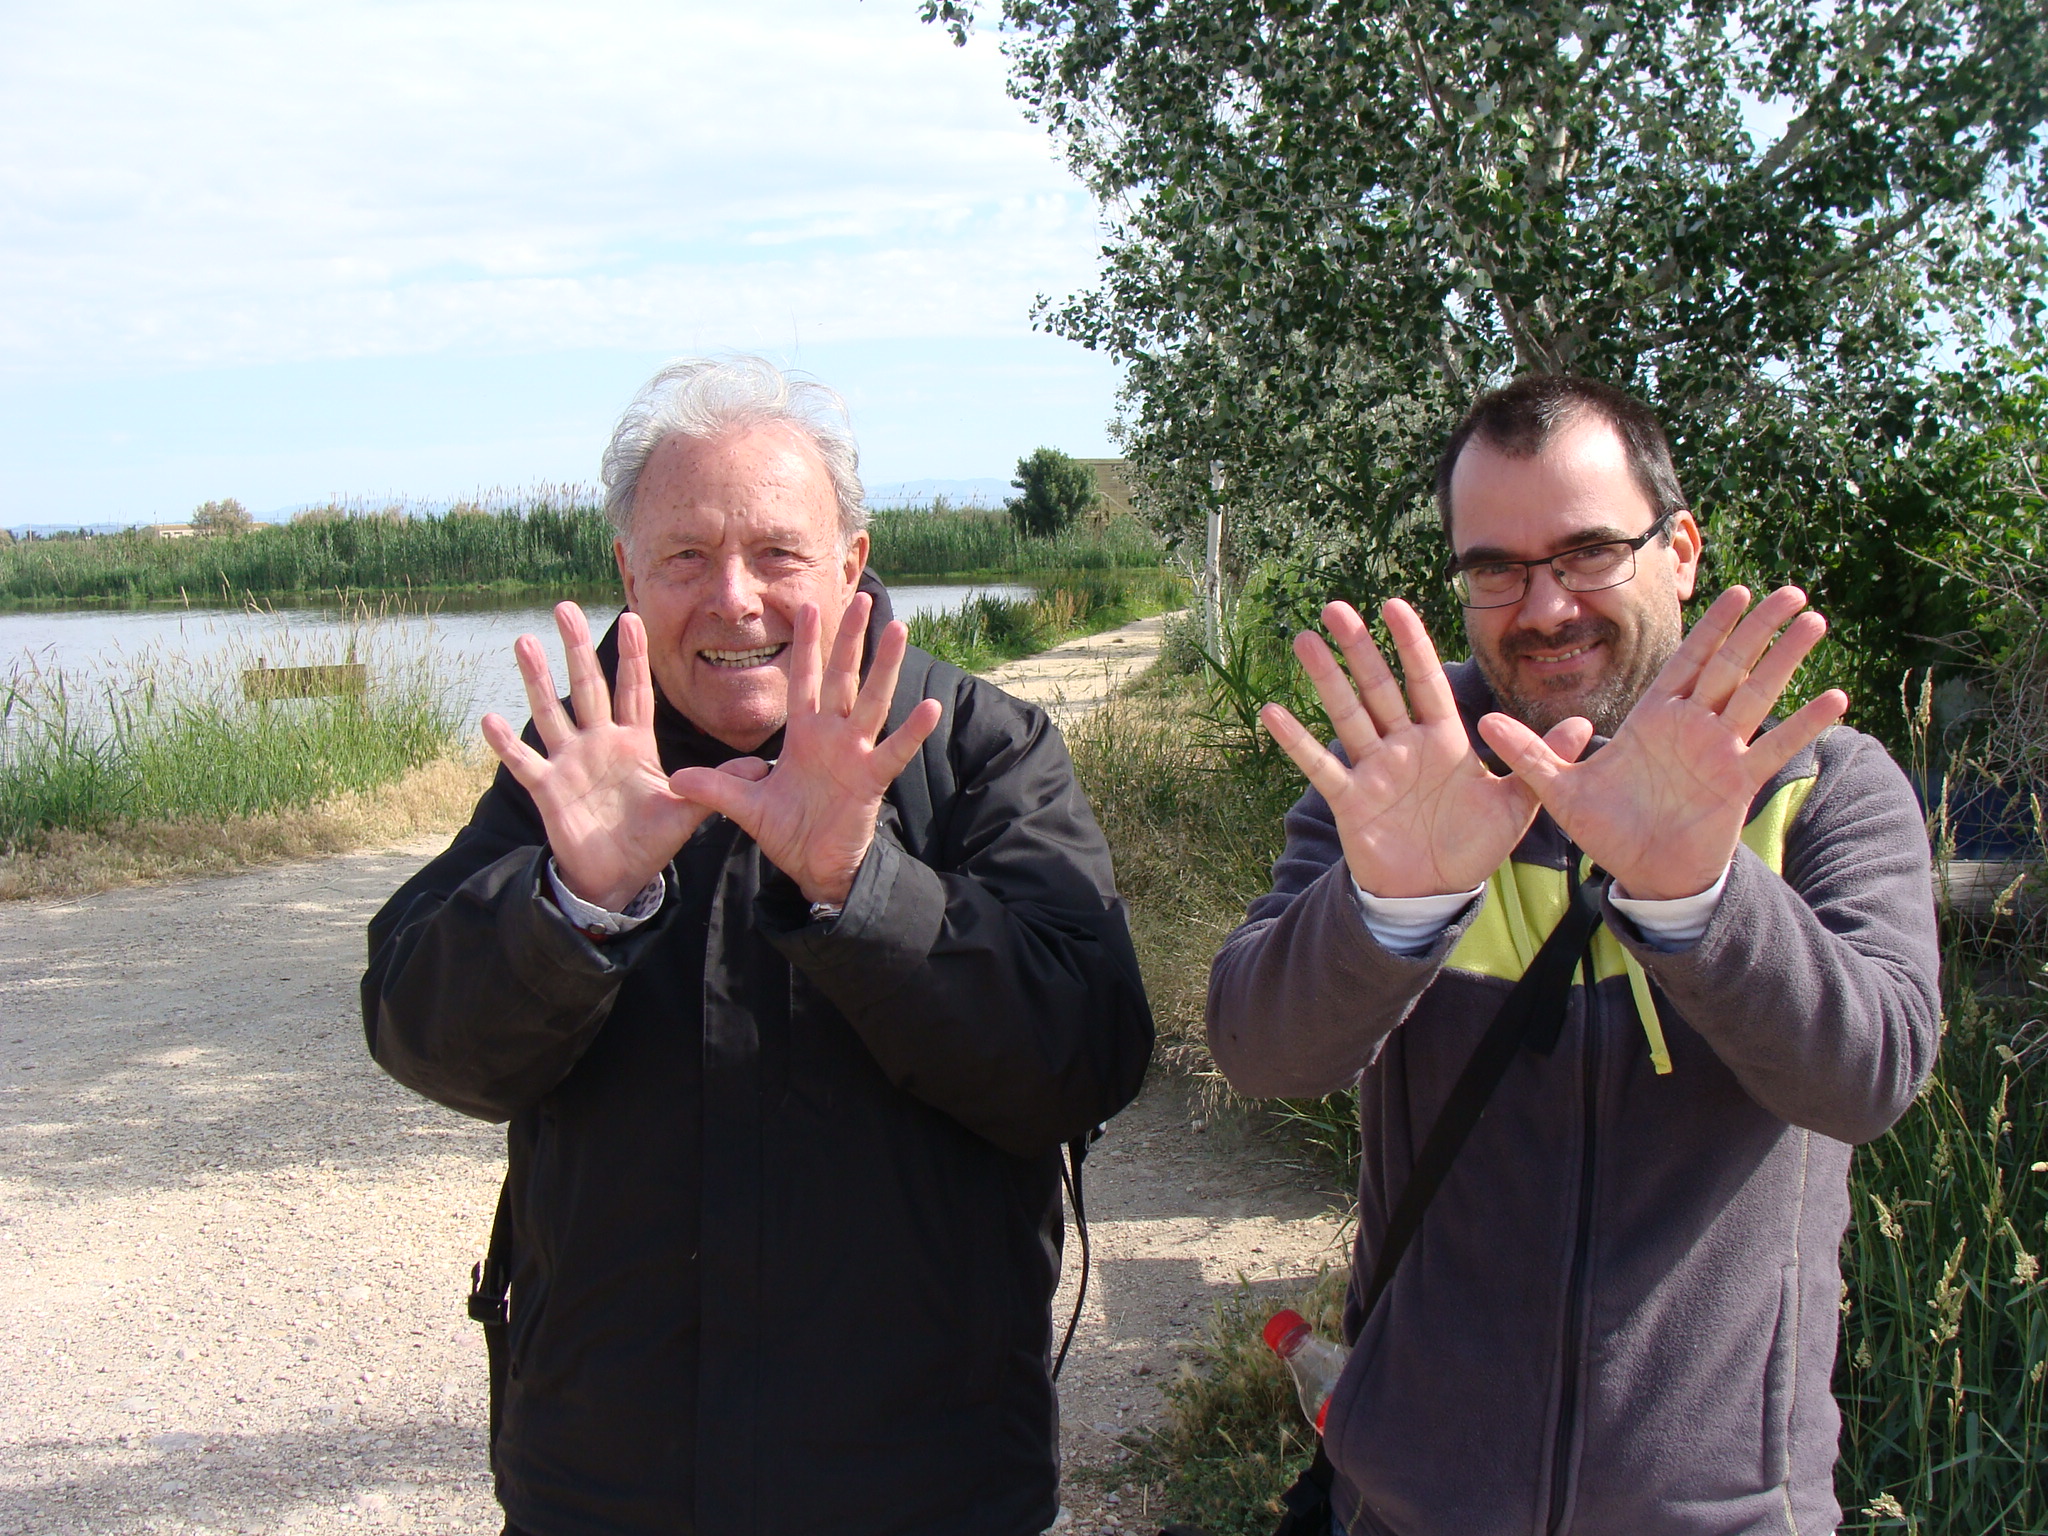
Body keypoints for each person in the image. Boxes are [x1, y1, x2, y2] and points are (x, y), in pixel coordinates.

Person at [362, 357, 1153, 1536]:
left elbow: (1081, 1056)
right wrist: (575, 899)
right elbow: (428, 1039)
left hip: (923, 1480)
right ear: (627, 575)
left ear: (850, 560)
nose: (732, 598)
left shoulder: (976, 746)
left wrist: (857, 885)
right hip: (605, 1479)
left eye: (778, 554)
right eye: (683, 557)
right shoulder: (579, 761)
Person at [1207, 375, 1940, 1536]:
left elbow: (1866, 1079)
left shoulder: (1819, 787)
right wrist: (1393, 904)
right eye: (1493, 567)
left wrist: (1701, 896)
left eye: (1590, 552)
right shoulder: (1408, 774)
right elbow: (1261, 1053)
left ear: (1680, 550)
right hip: (1410, 1506)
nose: (1544, 606)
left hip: (1722, 1514)